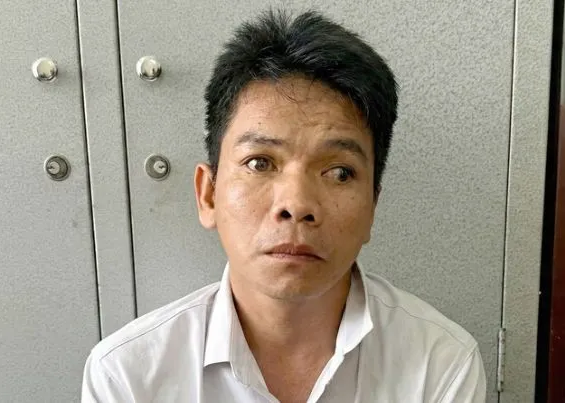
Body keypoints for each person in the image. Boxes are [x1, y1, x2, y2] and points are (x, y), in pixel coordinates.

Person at [81, 9, 486, 403]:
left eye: (340, 172)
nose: (296, 204)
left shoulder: (440, 365)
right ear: (208, 195)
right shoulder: (128, 377)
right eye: (260, 163)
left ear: (372, 207)